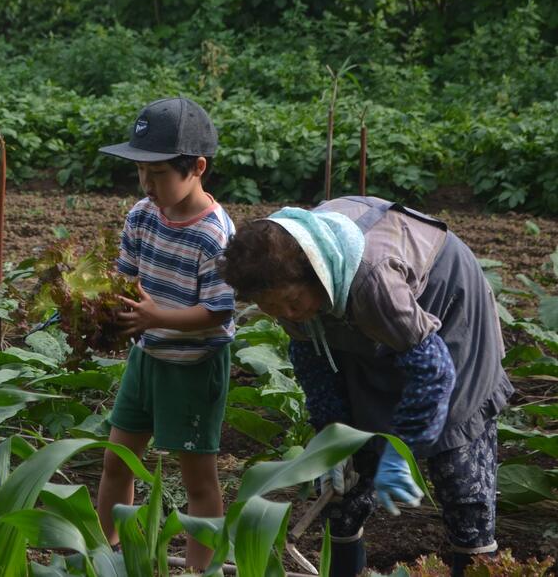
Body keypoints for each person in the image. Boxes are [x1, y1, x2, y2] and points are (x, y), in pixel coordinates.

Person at [217, 196, 513, 577]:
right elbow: (315, 366)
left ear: (316, 273)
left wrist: (400, 451)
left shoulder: (374, 284)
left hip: (446, 306)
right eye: (275, 309)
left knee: (457, 464)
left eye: (292, 302)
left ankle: (474, 559)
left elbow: (433, 370)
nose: (289, 315)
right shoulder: (285, 285)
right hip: (361, 312)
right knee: (347, 480)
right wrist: (332, 438)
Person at [95, 97, 236, 570]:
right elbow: (126, 277)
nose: (147, 184)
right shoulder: (142, 215)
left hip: (195, 368)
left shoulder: (214, 235)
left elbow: (217, 311)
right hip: (147, 358)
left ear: (196, 168)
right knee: (117, 461)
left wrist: (157, 317)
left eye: (157, 174)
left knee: (198, 480)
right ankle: (108, 554)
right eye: (141, 173)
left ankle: (201, 568)